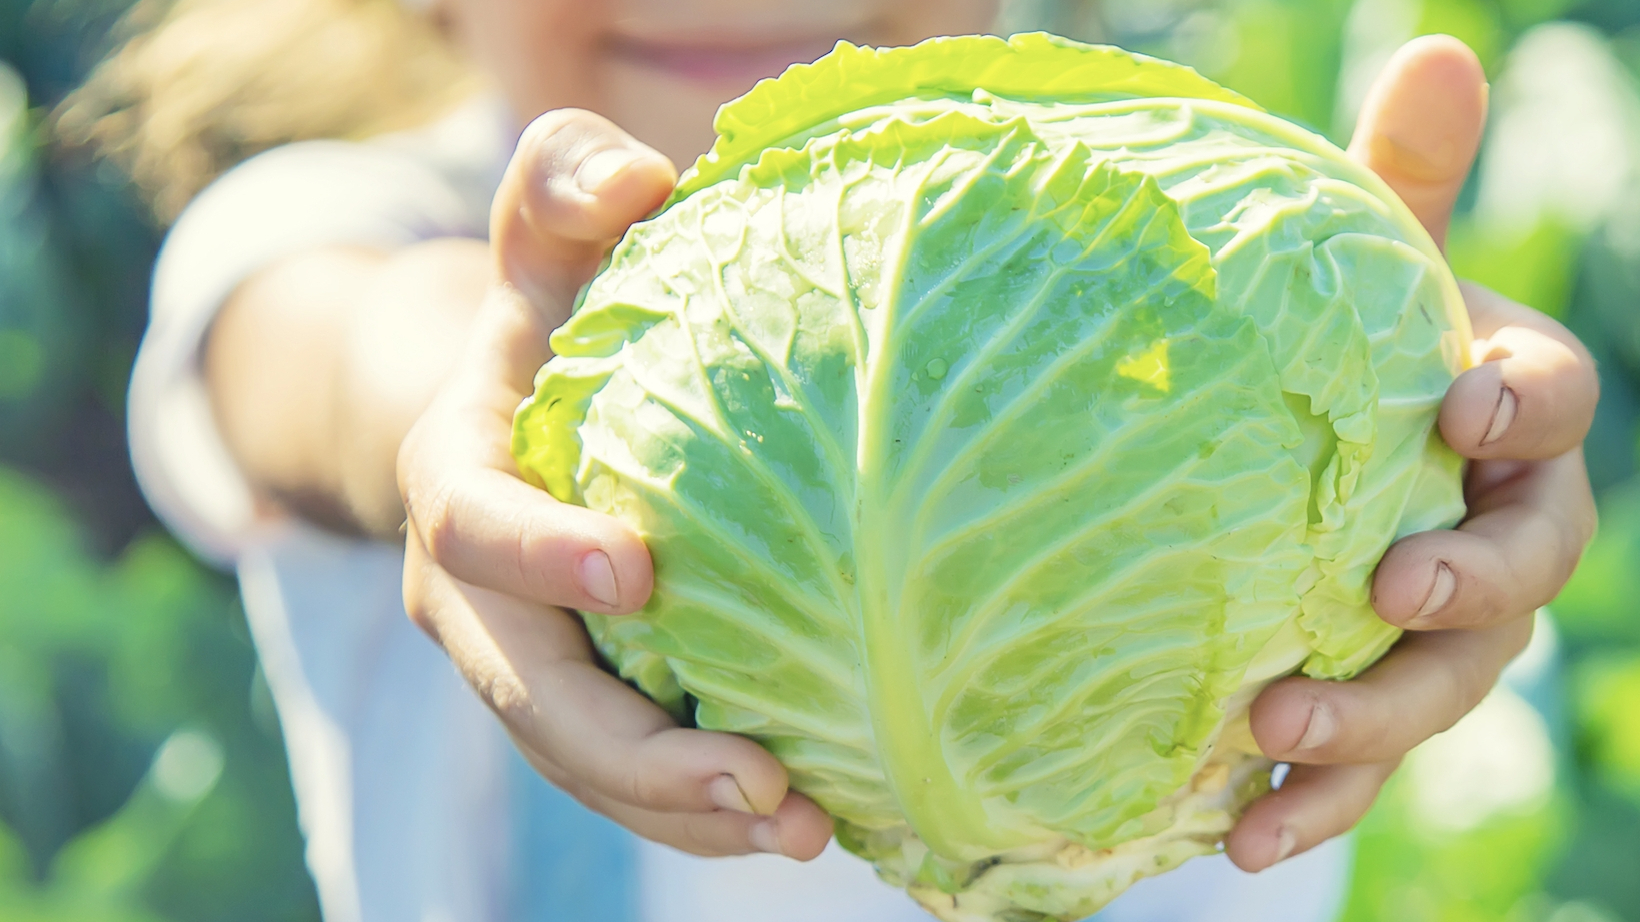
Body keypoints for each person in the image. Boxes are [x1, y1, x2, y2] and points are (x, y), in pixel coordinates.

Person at [70, 0, 1599, 919]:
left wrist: (1416, 396)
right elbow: (344, 357)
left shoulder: (1211, 237)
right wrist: (475, 417)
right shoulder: (332, 238)